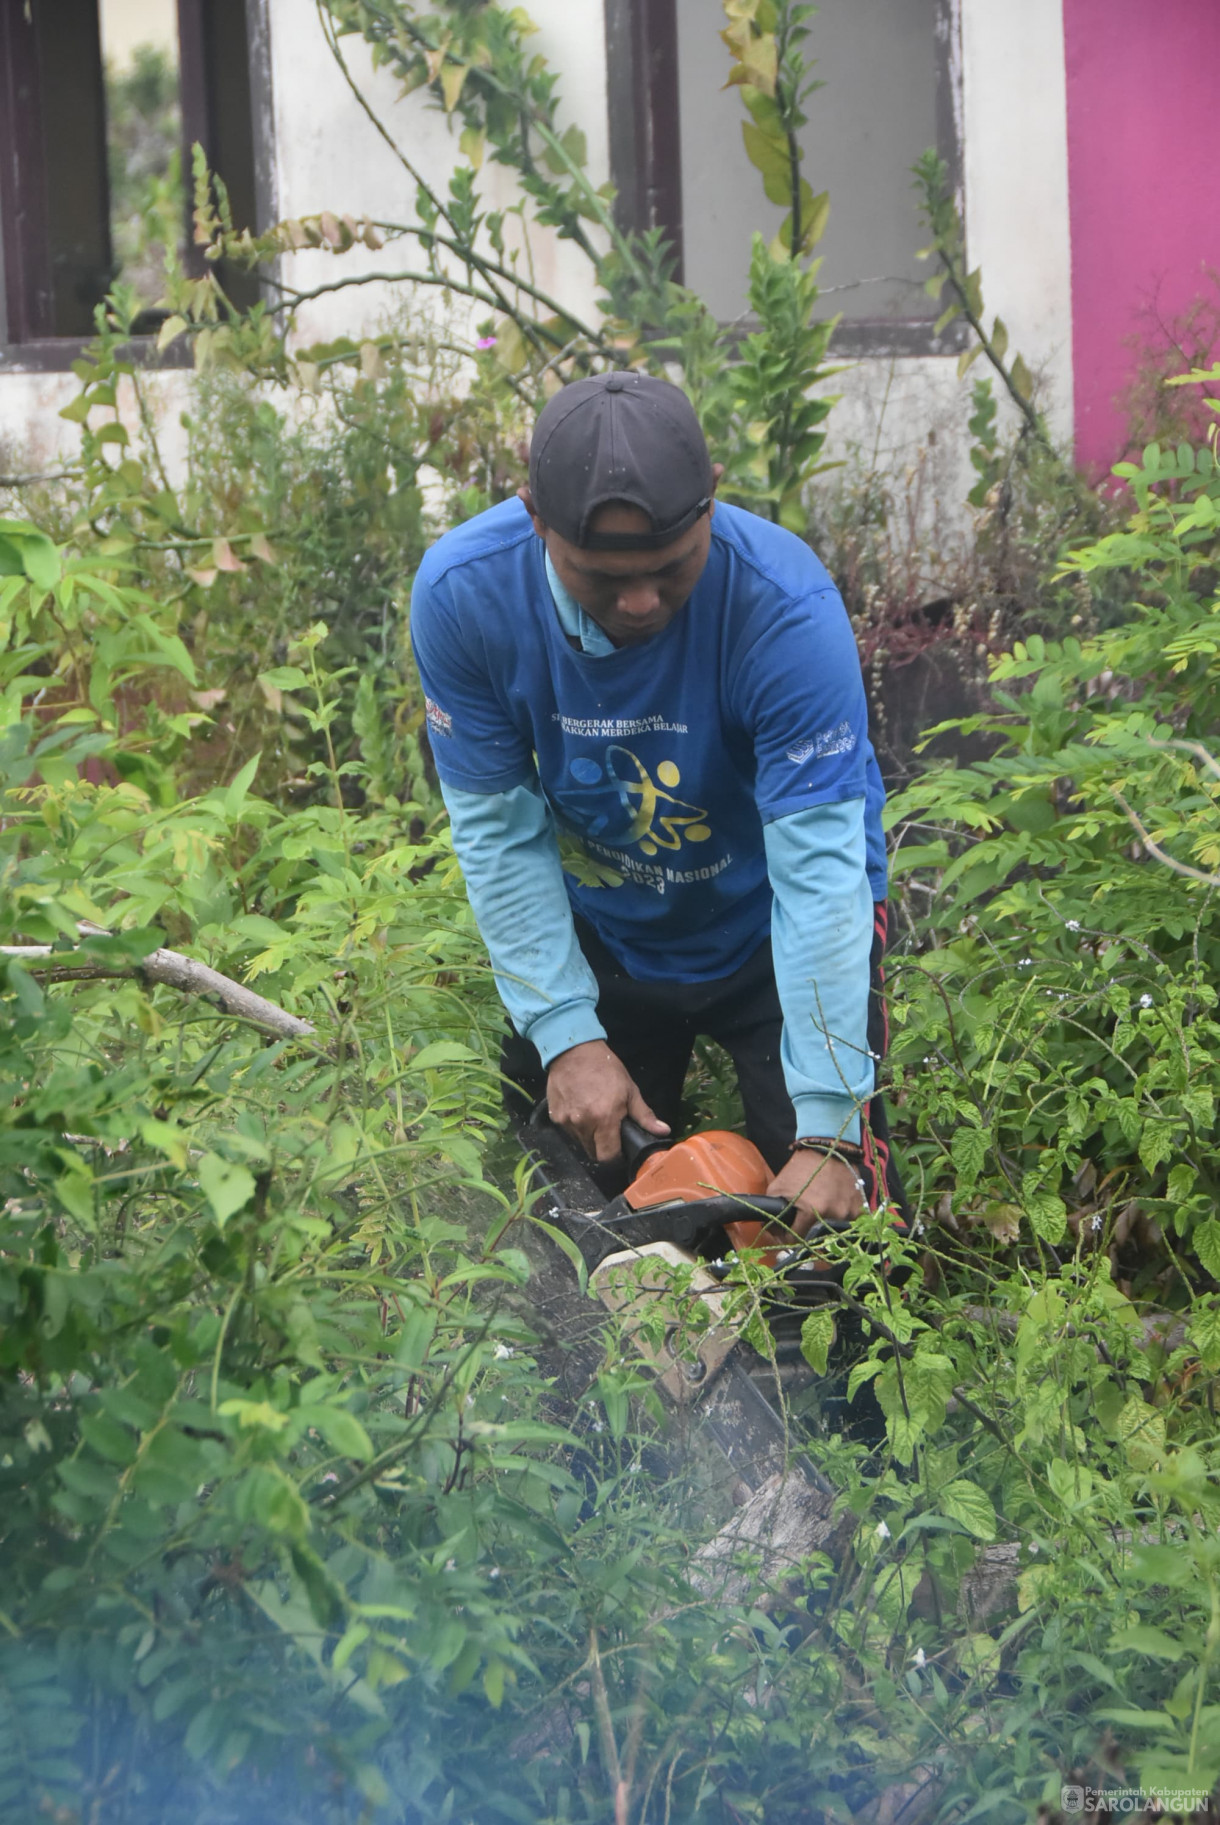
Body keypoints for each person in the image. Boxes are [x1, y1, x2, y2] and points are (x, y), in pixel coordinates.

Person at [410, 371, 905, 1235]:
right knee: (555, 1232)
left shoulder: (784, 608)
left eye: (672, 570)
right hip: (607, 928)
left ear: (712, 498)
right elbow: (499, 833)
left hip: (773, 927)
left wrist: (829, 1128)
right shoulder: (467, 595)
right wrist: (565, 1032)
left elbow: (821, 878)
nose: (640, 602)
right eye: (601, 578)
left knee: (840, 1239)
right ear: (535, 520)